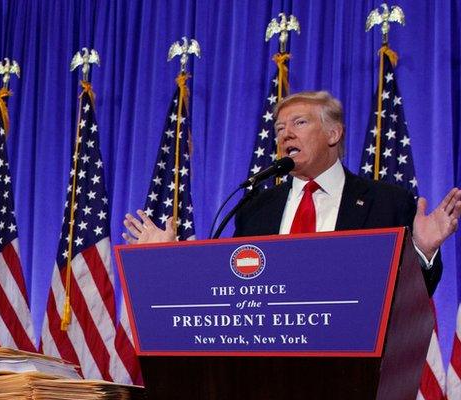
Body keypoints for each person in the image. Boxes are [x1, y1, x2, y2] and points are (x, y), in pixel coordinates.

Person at [123, 90, 461, 295]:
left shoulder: (387, 202)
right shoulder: (257, 206)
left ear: (333, 133)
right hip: (268, 367)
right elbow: (229, 283)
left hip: (350, 370)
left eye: (299, 123)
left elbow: (412, 299)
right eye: (280, 128)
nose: (285, 135)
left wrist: (423, 251)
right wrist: (165, 259)